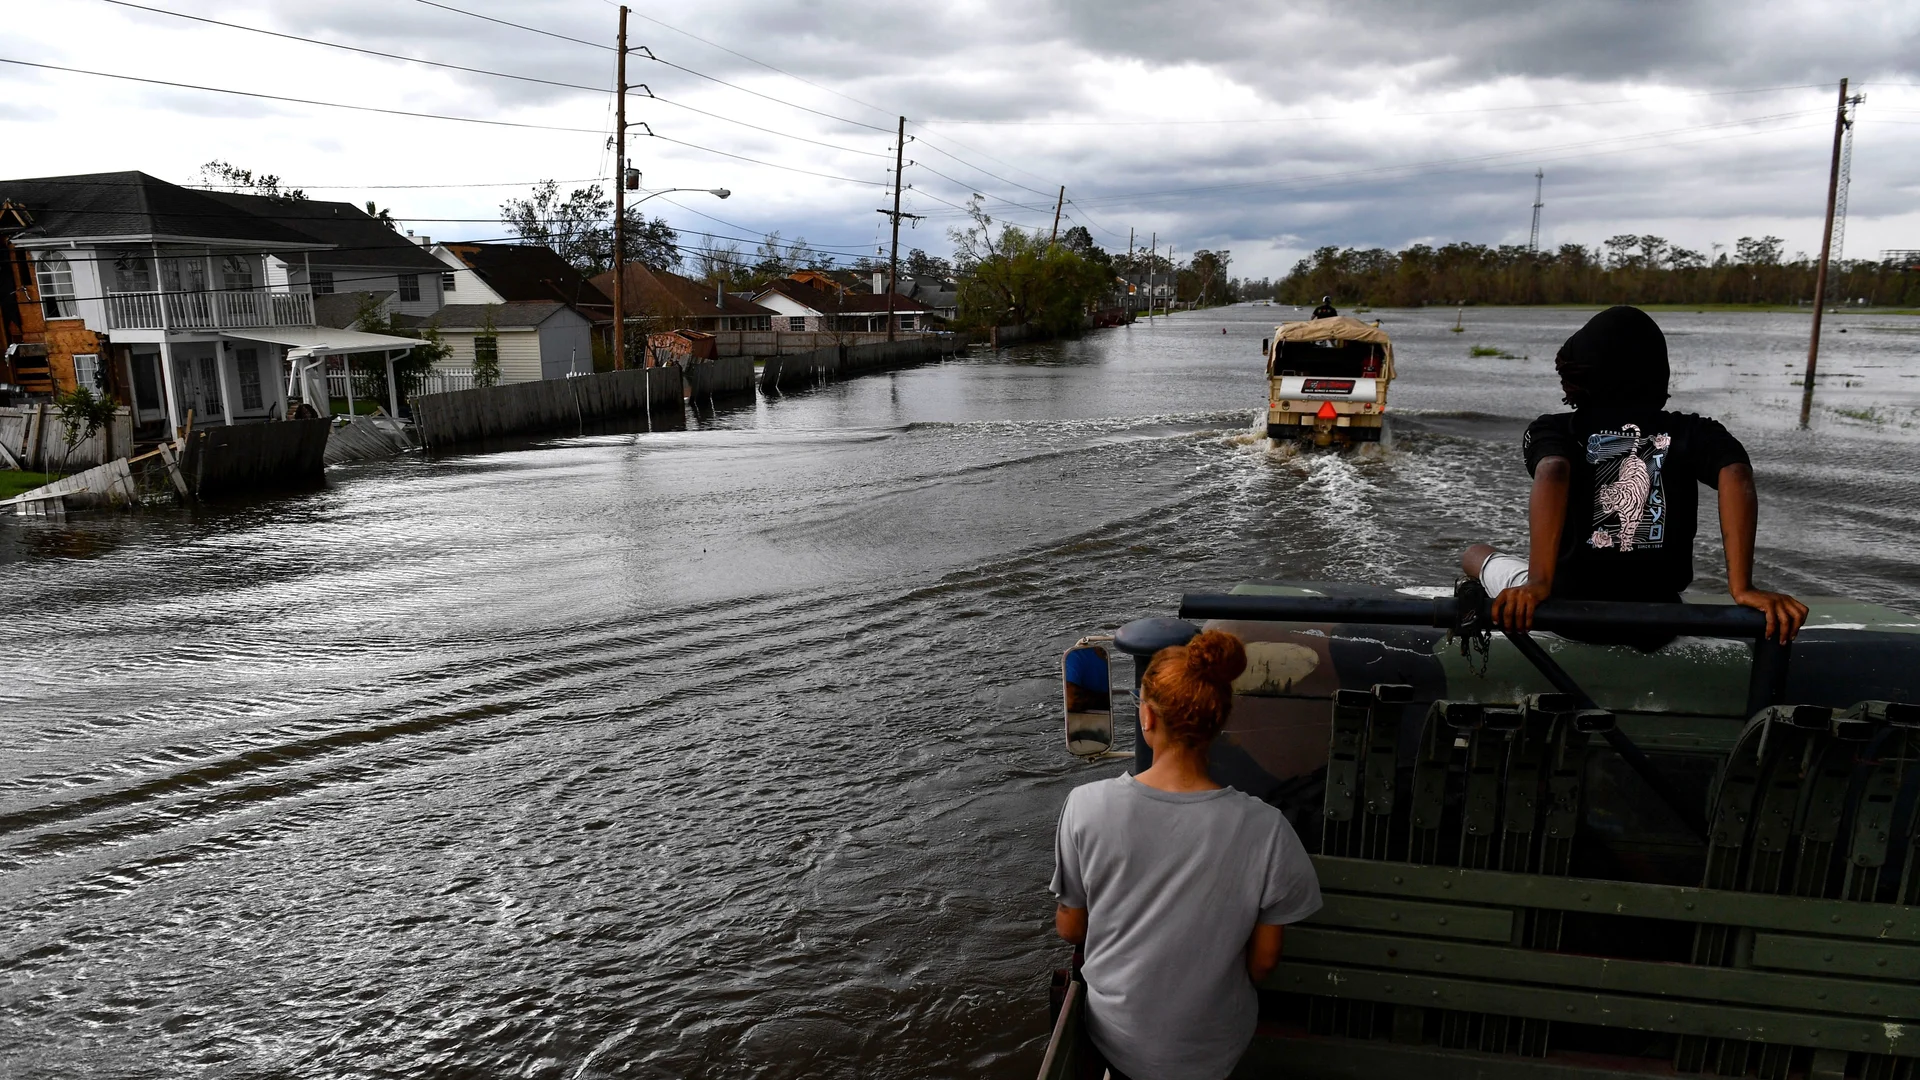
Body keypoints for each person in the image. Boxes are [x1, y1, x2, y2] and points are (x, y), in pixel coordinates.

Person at [1051, 630, 1322, 1080]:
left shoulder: (1086, 805)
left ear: (1147, 719)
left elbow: (1071, 927)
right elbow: (1265, 961)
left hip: (1117, 1040)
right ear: (1219, 723)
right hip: (1216, 1047)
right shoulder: (1267, 828)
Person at [1462, 305, 1807, 644]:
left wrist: (1537, 584)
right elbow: (1736, 473)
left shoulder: (1555, 429)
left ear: (1579, 377)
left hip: (1563, 616)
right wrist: (1742, 588)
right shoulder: (1693, 431)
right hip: (1658, 624)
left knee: (1473, 554)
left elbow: (1553, 471)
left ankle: (1516, 587)